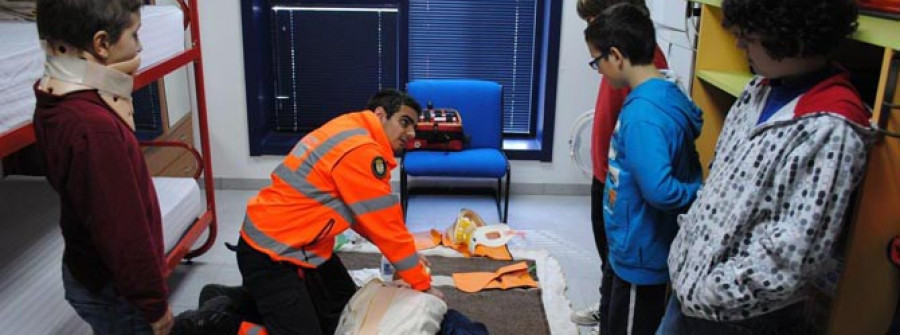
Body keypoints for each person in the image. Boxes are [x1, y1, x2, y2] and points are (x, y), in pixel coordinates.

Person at [659, 0, 873, 333]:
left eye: (749, 35)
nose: (739, 43)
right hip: (690, 293)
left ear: (792, 35)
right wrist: (683, 260)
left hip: (740, 317)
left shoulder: (831, 130)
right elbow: (716, 186)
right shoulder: (757, 90)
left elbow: (792, 259)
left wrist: (706, 292)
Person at [210, 89, 443, 335]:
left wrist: (408, 258)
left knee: (343, 313)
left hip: (304, 244)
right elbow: (387, 227)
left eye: (414, 126)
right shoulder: (362, 151)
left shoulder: (352, 128)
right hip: (271, 254)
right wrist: (421, 283)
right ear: (380, 115)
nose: (411, 133)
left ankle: (236, 299)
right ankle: (215, 323)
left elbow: (364, 216)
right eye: (404, 122)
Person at [33, 0, 174, 334]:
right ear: (101, 44)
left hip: (88, 270)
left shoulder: (53, 99)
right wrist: (154, 305)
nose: (139, 47)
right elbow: (123, 231)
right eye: (134, 35)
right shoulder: (94, 129)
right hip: (116, 289)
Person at [584, 4, 703, 334]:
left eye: (597, 61)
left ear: (617, 57)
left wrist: (699, 193)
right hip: (628, 247)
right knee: (612, 315)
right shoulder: (656, 95)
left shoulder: (643, 117)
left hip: (640, 255)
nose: (598, 70)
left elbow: (660, 190)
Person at [570, 0, 671, 333]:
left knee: (621, 259)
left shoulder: (646, 62)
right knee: (610, 259)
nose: (592, 28)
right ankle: (608, 309)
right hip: (605, 174)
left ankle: (614, 311)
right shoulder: (618, 54)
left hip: (622, 182)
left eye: (596, 19)